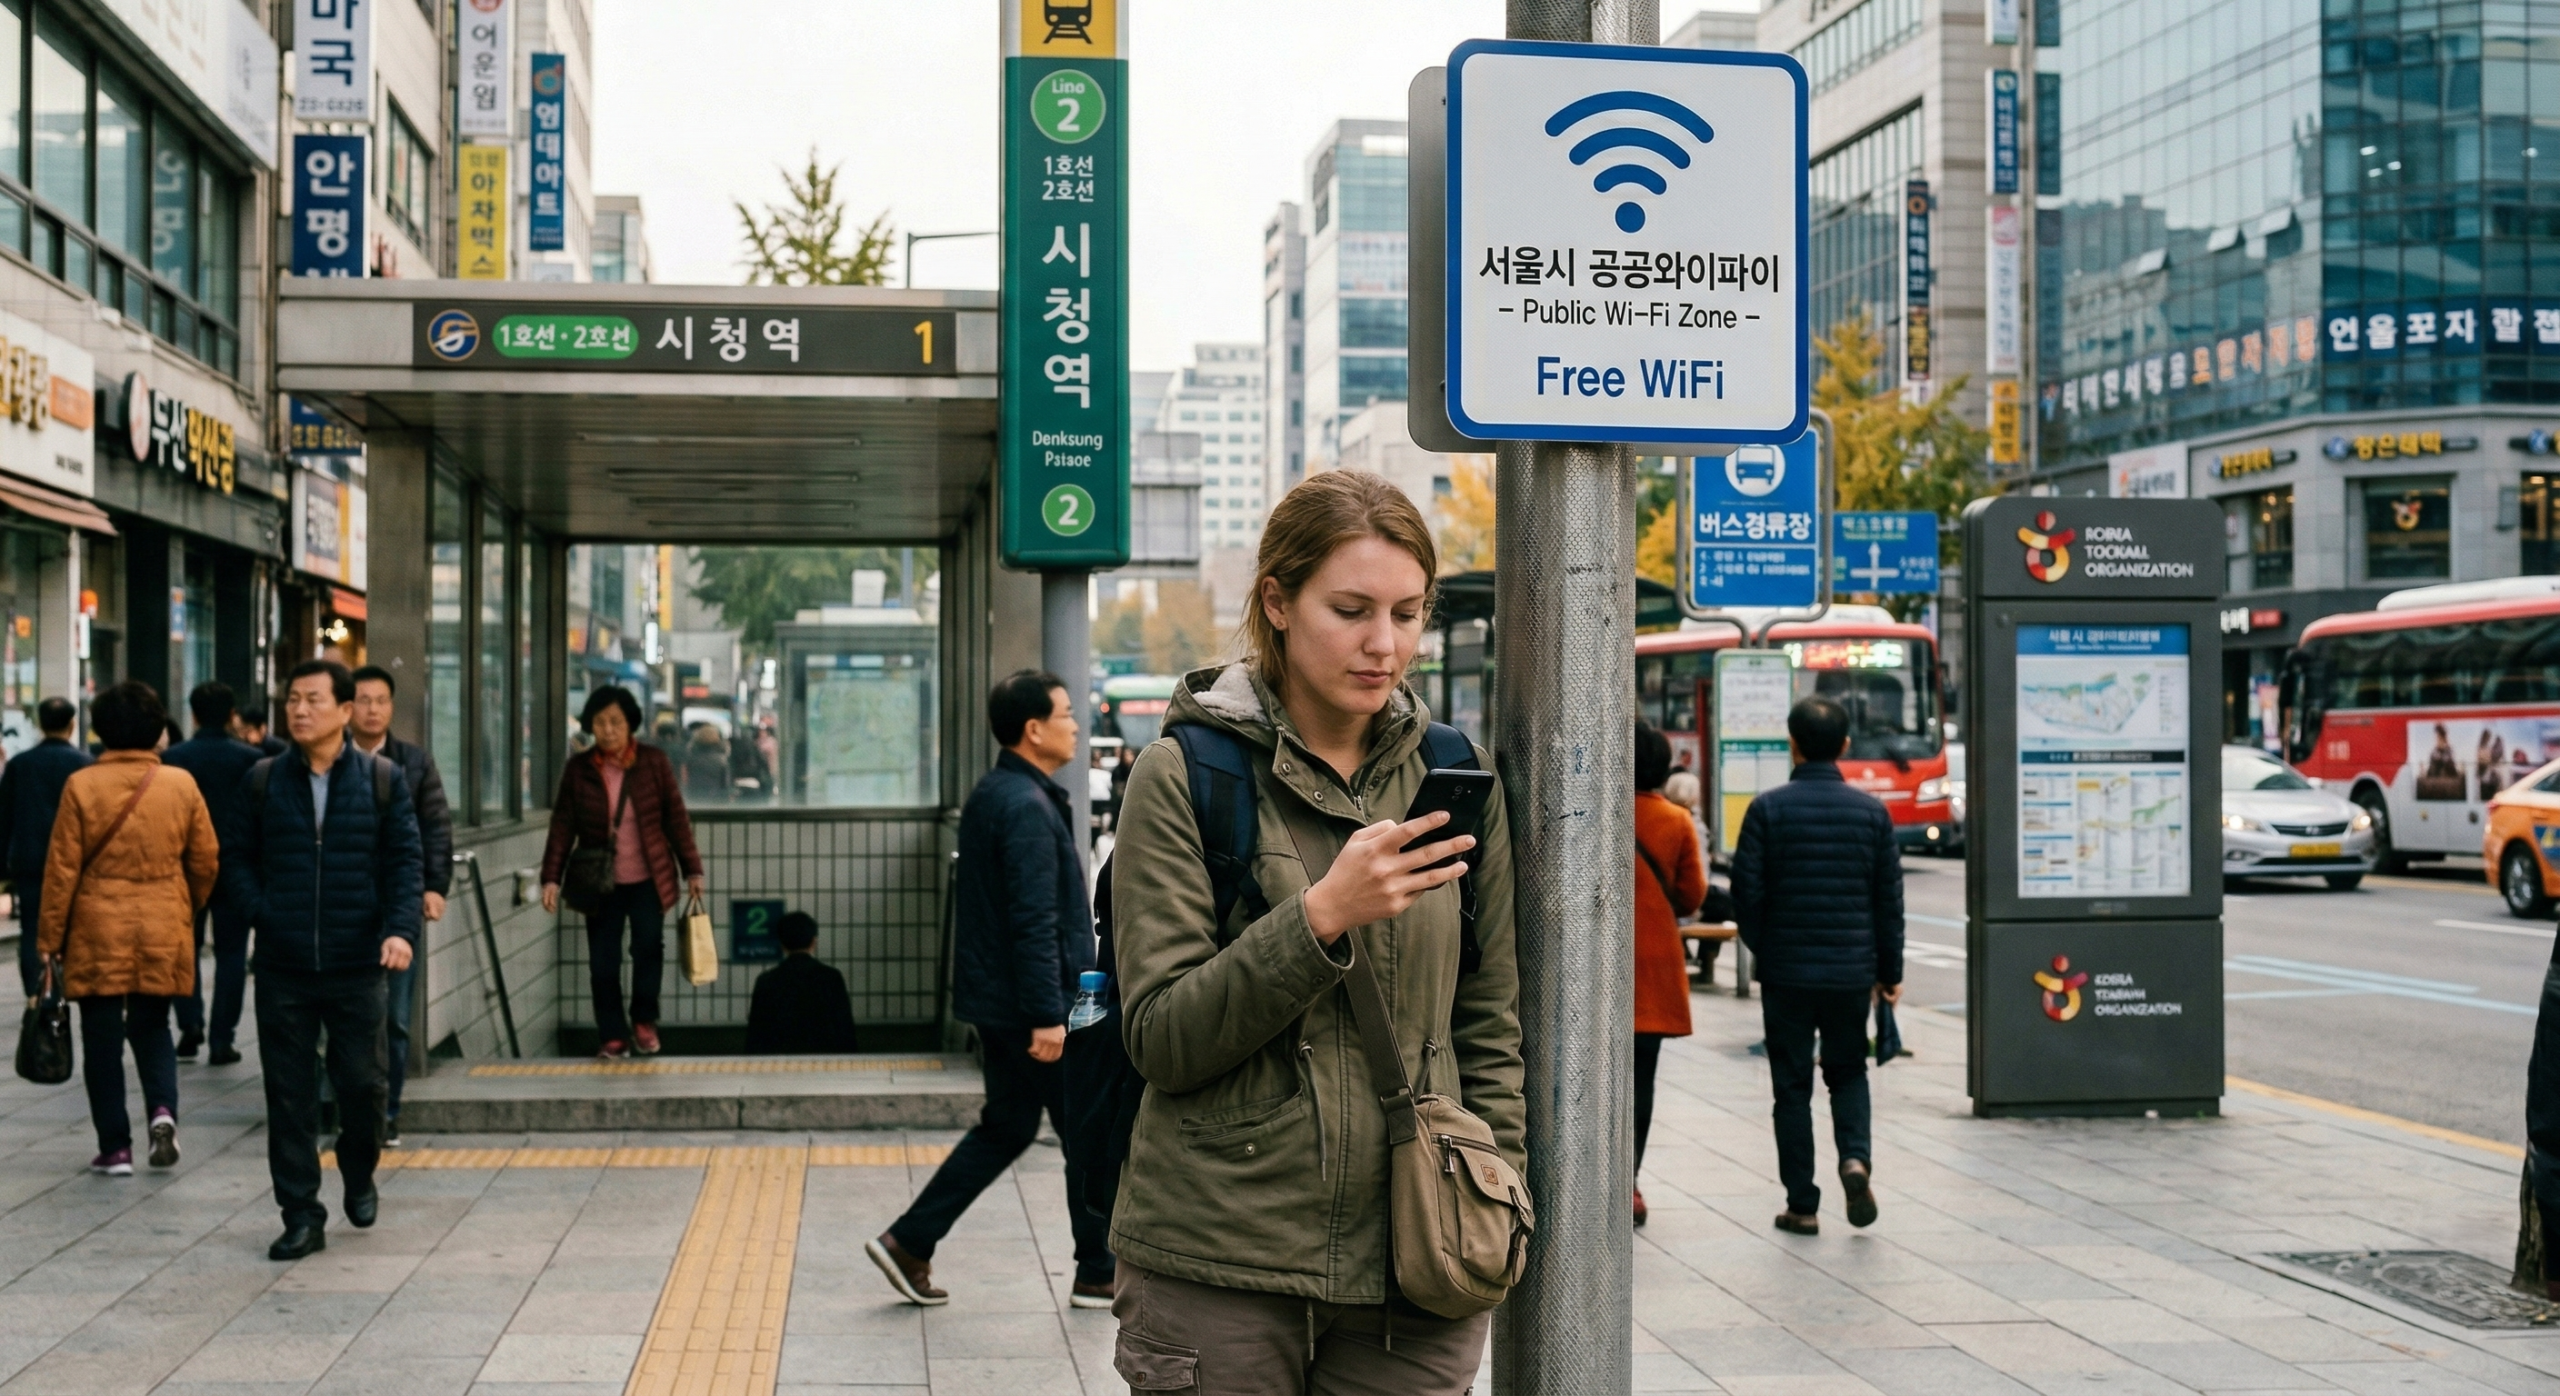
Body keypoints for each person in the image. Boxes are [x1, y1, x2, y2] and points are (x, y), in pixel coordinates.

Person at [1102, 470, 1523, 1390]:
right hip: (1222, 1258)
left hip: (1418, 1264)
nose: (1385, 645)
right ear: (1277, 602)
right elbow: (1164, 1038)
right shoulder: (1183, 777)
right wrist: (1322, 914)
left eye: (1408, 614)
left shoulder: (1455, 776)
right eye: (1352, 609)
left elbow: (1488, 1022)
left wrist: (1496, 1191)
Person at [866, 670, 1112, 1309]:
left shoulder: (1003, 792)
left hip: (1004, 1001)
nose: (1075, 723)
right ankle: (1097, 1269)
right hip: (1032, 1006)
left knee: (1007, 1126)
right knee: (1086, 1131)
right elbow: (1035, 922)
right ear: (1034, 730)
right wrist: (1047, 1016)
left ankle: (910, 1241)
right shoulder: (1026, 806)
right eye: (1065, 712)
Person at [220, 659, 424, 1260]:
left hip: (357, 963)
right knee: (288, 1095)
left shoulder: (383, 780)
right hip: (283, 967)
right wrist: (264, 912)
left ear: (343, 711)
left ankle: (358, 1174)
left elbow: (404, 864)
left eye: (312, 700)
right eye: (292, 700)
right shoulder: (261, 780)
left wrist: (400, 930)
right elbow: (234, 859)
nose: (299, 710)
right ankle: (301, 1216)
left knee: (361, 1087)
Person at [1731, 694, 1904, 1237]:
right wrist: (1889, 972)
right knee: (1848, 1072)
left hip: (1787, 973)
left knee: (1792, 1086)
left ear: (1793, 743)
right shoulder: (1872, 813)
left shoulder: (1767, 809)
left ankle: (1802, 1203)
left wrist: (1769, 948)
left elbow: (1746, 896)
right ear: (1846, 746)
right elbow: (1888, 903)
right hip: (1852, 973)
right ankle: (1854, 1158)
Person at [39, 682, 219, 1177]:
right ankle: (162, 1112)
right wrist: (186, 905)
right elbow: (206, 860)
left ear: (99, 731)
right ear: (158, 730)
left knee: (101, 1039)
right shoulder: (180, 785)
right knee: (153, 1026)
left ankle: (115, 1148)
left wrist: (49, 940)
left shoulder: (81, 785)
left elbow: (61, 872)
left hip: (98, 923)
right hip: (162, 917)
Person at [540, 686, 704, 1060]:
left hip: (648, 878)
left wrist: (692, 868)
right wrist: (551, 876)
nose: (608, 729)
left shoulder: (653, 762)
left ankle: (644, 1021)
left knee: (648, 948)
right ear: (590, 725)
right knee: (603, 961)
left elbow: (676, 819)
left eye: (616, 721)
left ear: (631, 723)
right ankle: (612, 1035)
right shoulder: (578, 770)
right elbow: (562, 824)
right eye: (600, 722)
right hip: (601, 883)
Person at [350, 665, 455, 1146]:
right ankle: (345, 1110)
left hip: (398, 906)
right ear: (347, 707)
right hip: (341, 908)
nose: (372, 709)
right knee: (344, 1016)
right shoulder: (327, 761)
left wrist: (435, 886)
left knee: (394, 1016)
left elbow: (434, 827)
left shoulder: (413, 763)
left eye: (381, 701)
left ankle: (386, 1114)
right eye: (363, 700)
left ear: (391, 708)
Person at [163, 684, 265, 1065]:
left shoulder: (172, 757)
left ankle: (189, 1024)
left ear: (192, 715)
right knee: (232, 954)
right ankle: (223, 1038)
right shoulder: (251, 759)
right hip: (236, 867)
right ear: (231, 716)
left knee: (182, 949)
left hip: (183, 867)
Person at [1633, 722, 1706, 1228]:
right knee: (1640, 1082)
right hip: (1652, 971)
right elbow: (1691, 897)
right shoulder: (1675, 820)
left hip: (1585, 975)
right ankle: (1628, 1181)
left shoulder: (1592, 810)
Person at [0, 697, 92, 998]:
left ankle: (36, 993)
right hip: (73, 862)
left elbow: (5, 816)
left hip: (30, 859)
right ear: (72, 724)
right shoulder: (84, 765)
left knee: (31, 929)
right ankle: (65, 987)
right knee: (73, 926)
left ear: (40, 724)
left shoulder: (19, 764)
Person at [743, 911, 859, 1054]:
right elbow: (844, 1028)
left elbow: (756, 1034)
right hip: (824, 1062)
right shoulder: (831, 978)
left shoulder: (766, 980)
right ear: (813, 942)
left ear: (782, 944)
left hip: (779, 1064)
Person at [684, 723, 732, 805]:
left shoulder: (690, 759)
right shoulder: (722, 761)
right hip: (716, 802)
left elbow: (685, 781)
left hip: (694, 800)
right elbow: (725, 785)